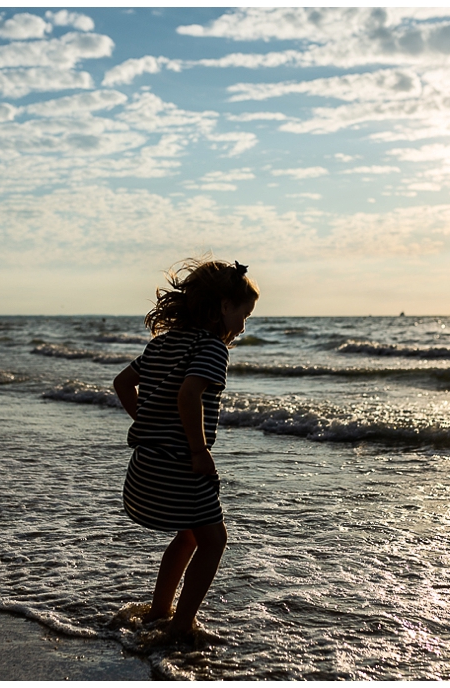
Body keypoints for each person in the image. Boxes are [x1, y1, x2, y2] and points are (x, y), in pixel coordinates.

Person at [113, 258, 259, 638]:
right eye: (245, 314)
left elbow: (122, 384)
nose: (244, 325)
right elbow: (188, 394)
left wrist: (146, 424)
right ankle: (180, 626)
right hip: (181, 467)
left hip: (145, 469)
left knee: (190, 535)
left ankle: (160, 610)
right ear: (224, 307)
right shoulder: (212, 348)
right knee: (214, 540)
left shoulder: (162, 344)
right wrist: (198, 450)